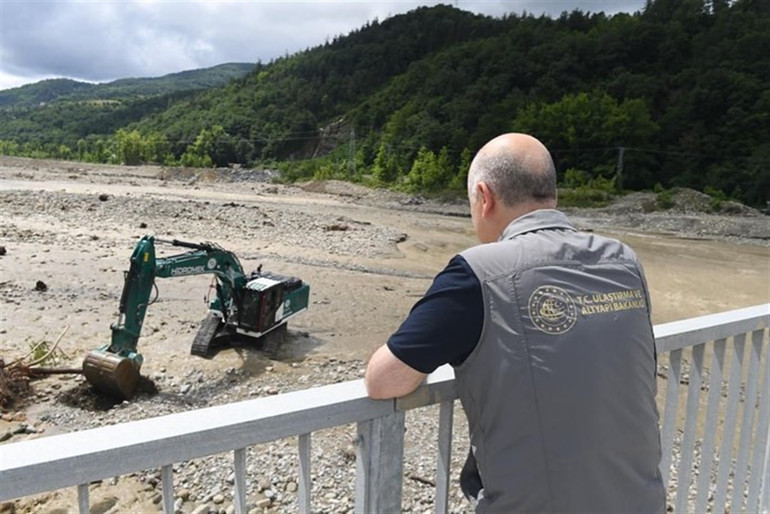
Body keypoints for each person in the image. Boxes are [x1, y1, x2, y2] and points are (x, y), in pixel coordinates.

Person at [364, 133, 666, 513]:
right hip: (640, 501)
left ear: (484, 196)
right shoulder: (623, 261)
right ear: (550, 193)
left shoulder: (476, 273)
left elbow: (384, 380)